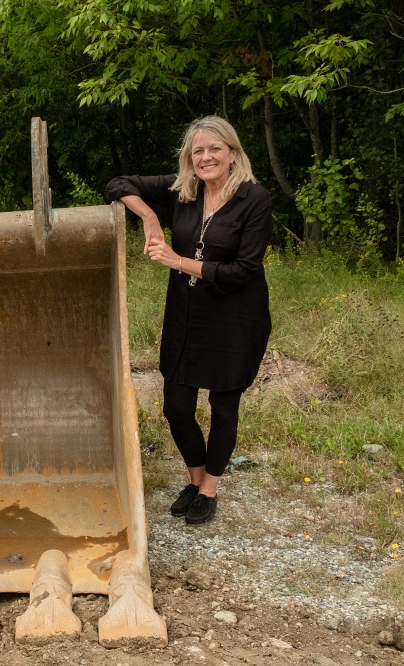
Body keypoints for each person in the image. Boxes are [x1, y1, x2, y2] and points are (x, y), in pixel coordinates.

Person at [107, 115, 272, 525]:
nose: (206, 157)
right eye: (198, 150)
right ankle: (195, 479)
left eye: (215, 148)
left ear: (233, 154)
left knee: (222, 406)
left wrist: (179, 261)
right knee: (177, 406)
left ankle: (210, 489)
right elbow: (118, 184)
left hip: (235, 318)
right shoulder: (184, 191)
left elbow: (242, 271)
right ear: (189, 157)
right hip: (185, 314)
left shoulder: (254, 199)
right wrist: (149, 217)